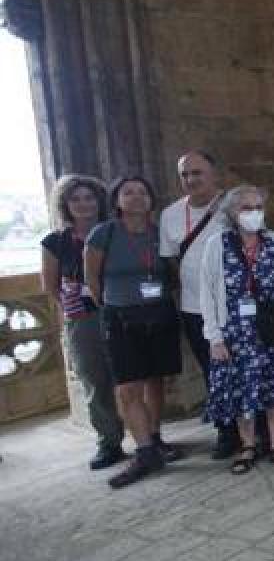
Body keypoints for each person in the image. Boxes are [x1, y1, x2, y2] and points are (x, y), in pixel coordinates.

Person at [158, 150, 261, 459]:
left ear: (213, 174)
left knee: (251, 367)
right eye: (185, 174)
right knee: (213, 371)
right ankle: (226, 431)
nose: (191, 179)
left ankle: (259, 430)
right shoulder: (170, 215)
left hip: (239, 308)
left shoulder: (232, 207)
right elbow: (171, 261)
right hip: (195, 308)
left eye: (197, 172)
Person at [84, 175, 184, 489]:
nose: (137, 197)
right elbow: (93, 279)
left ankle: (154, 437)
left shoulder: (159, 233)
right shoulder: (104, 233)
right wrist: (113, 306)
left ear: (151, 199)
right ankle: (144, 452)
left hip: (159, 314)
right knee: (128, 387)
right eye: (128, 192)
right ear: (117, 200)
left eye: (143, 191)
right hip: (121, 317)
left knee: (156, 380)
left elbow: (173, 273)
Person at [199, 185, 274, 474]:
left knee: (273, 389)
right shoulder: (217, 244)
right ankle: (248, 446)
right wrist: (214, 338)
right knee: (242, 390)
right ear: (231, 212)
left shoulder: (273, 241)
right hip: (235, 332)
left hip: (271, 330)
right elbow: (207, 293)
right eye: (246, 208)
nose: (254, 213)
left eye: (258, 207)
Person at [41, 175, 126, 470]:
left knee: (132, 377)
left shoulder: (115, 232)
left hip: (120, 311)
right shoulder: (55, 242)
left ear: (99, 201)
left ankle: (148, 437)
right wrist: (74, 305)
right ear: (65, 205)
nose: (83, 204)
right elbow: (51, 284)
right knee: (94, 380)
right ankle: (109, 441)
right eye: (75, 199)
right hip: (84, 319)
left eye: (89, 198)